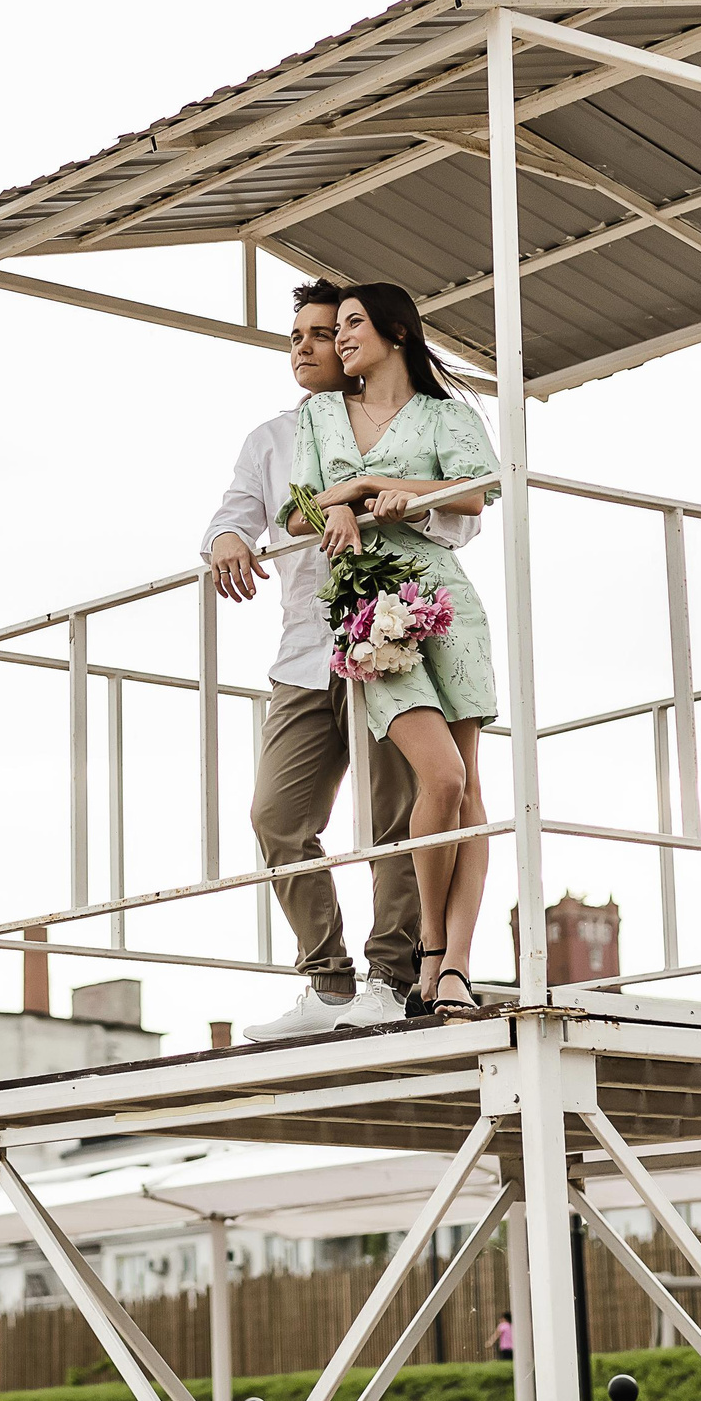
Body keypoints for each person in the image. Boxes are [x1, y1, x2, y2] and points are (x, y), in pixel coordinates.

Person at [215, 279, 482, 1040]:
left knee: (399, 817)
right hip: (304, 650)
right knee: (277, 815)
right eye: (295, 333)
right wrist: (228, 537)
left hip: (386, 639)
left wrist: (378, 495)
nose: (303, 345)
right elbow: (245, 505)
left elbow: (460, 522)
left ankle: (391, 978)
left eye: (322, 332)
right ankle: (327, 982)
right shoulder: (276, 434)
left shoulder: (408, 426)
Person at [287, 282, 497, 1016]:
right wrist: (338, 504)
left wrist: (380, 483)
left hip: (447, 603)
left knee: (468, 788)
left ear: (396, 331)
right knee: (437, 778)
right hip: (369, 608)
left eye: (352, 323)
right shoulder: (318, 414)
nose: (339, 337)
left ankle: (453, 966)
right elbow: (298, 503)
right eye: (334, 326)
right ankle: (431, 947)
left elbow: (475, 491)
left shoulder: (447, 415)